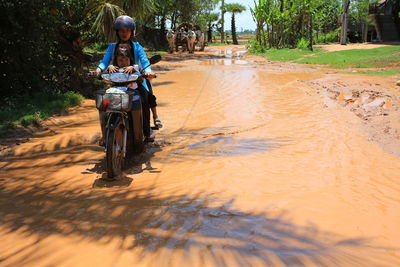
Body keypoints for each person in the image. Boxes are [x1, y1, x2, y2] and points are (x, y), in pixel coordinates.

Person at [96, 15, 162, 143]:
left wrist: (147, 72)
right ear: (117, 32)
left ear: (132, 31)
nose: (124, 33)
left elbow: (144, 61)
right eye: (121, 30)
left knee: (144, 100)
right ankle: (105, 136)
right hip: (115, 83)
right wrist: (98, 70)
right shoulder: (112, 47)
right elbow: (104, 61)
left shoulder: (137, 47)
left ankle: (146, 132)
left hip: (136, 82)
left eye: (127, 30)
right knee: (104, 103)